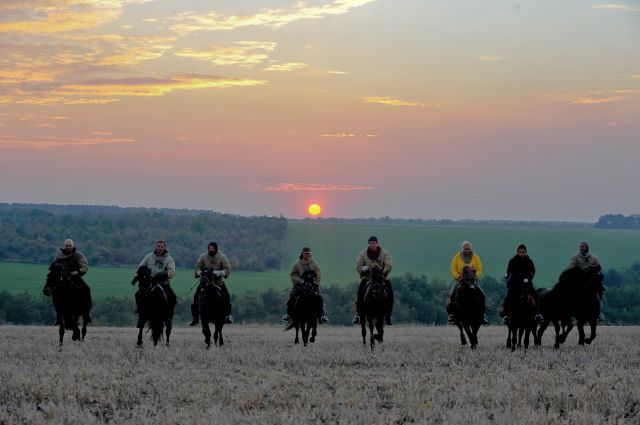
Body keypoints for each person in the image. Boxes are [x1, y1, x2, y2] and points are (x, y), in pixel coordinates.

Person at [46, 239, 92, 324]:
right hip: (61, 277)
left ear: (73, 246)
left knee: (86, 289)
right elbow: (54, 265)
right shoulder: (59, 254)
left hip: (74, 276)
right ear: (64, 246)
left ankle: (86, 313)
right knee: (53, 290)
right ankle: (58, 316)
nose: (68, 247)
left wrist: (78, 272)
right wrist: (54, 267)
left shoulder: (78, 255)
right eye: (67, 245)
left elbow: (85, 267)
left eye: (70, 245)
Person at [352, 236, 394, 325]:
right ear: (368, 244)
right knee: (359, 294)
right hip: (368, 278)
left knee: (390, 295)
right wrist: (365, 268)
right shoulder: (363, 254)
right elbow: (358, 266)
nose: (372, 245)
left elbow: (389, 265)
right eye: (371, 243)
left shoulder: (385, 253)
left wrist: (383, 271)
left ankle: (388, 316)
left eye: (374, 243)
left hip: (381, 278)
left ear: (377, 244)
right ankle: (358, 315)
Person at [190, 242, 233, 325]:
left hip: (218, 282)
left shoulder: (222, 257)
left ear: (216, 249)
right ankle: (195, 317)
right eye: (209, 249)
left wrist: (219, 273)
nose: (211, 250)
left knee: (226, 295)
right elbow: (197, 267)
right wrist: (200, 273)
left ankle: (228, 315)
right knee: (196, 296)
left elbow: (227, 269)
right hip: (205, 283)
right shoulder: (203, 256)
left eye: (212, 249)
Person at [282, 247, 328, 324]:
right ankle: (288, 314)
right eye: (305, 253)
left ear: (311, 254)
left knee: (320, 298)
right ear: (302, 253)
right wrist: (300, 281)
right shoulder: (296, 264)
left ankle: (322, 315)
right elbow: (293, 275)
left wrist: (316, 283)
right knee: (292, 295)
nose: (307, 255)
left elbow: (318, 274)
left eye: (308, 254)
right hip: (300, 286)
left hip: (313, 286)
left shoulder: (315, 263)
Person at [135, 240, 177, 324]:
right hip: (149, 282)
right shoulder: (148, 257)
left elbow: (172, 271)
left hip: (163, 283)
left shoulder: (169, 259)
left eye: (162, 247)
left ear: (165, 247)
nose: (160, 248)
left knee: (172, 297)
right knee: (138, 294)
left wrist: (165, 275)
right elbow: (140, 268)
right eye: (158, 246)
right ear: (155, 247)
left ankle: (169, 316)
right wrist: (136, 276)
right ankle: (141, 314)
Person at [447, 241, 488, 324]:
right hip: (460, 280)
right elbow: (453, 269)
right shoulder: (457, 257)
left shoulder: (475, 257)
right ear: (462, 249)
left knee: (482, 294)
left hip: (472, 280)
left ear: (471, 249)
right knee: (451, 294)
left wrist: (475, 275)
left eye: (468, 249)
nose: (467, 250)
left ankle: (482, 314)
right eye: (465, 249)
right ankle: (452, 314)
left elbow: (480, 269)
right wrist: (458, 277)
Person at [501, 244, 543, 324]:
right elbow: (509, 272)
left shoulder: (529, 261)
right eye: (519, 252)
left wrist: (529, 277)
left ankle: (537, 314)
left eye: (523, 252)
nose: (521, 254)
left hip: (526, 283)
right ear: (517, 252)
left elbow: (532, 272)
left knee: (535, 295)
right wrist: (512, 279)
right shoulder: (512, 261)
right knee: (508, 296)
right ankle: (506, 315)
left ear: (526, 252)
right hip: (515, 283)